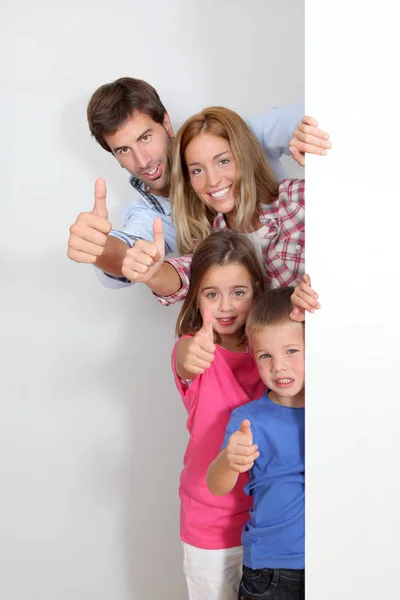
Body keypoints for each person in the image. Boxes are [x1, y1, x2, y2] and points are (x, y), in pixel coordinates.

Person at [67, 77, 331, 289]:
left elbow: (306, 116)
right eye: (123, 150)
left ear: (166, 123)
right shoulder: (151, 215)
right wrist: (101, 249)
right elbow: (131, 250)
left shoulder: (233, 136)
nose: (143, 160)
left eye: (145, 137)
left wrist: (309, 131)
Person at [121, 106, 314, 299]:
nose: (213, 181)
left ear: (245, 156)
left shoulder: (296, 198)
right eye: (197, 170)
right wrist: (154, 273)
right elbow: (183, 274)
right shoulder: (209, 243)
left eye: (223, 161)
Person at [172, 230, 267, 599]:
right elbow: (184, 362)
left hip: (269, 524)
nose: (226, 307)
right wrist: (191, 357)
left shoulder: (274, 352)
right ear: (197, 297)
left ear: (257, 289)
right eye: (212, 295)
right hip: (210, 528)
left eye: (238, 293)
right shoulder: (192, 349)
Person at [207, 286, 305, 600]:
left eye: (292, 350)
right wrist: (228, 461)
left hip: (336, 559)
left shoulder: (334, 411)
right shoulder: (249, 419)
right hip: (272, 572)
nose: (279, 366)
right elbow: (217, 484)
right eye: (266, 355)